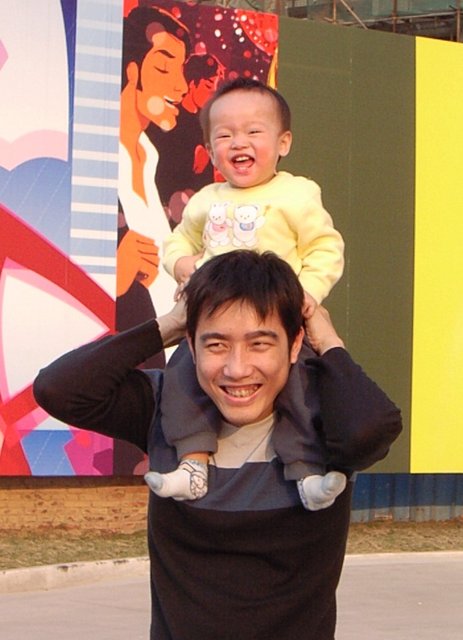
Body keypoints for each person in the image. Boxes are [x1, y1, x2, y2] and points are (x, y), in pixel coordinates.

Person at [33, 250, 402, 640]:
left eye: (259, 344)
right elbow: (58, 389)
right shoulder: (164, 408)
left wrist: (327, 339)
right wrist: (169, 324)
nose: (236, 369)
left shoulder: (325, 417)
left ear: (295, 344)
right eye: (216, 345)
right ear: (191, 346)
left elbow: (371, 430)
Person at [156, 77, 346, 508]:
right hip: (214, 324)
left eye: (253, 131)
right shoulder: (206, 200)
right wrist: (182, 265)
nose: (239, 142)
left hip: (274, 323)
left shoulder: (296, 193)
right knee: (181, 380)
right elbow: (178, 241)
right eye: (224, 135)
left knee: (301, 393)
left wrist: (306, 294)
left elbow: (325, 248)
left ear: (283, 143)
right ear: (210, 150)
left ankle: (306, 473)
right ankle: (193, 465)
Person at [116, 5, 191, 368]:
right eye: (164, 68)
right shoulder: (88, 163)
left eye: (181, 70)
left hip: (173, 372)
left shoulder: (155, 161)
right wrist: (115, 276)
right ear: (132, 71)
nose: (181, 86)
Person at [148, 52, 225, 225]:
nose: (212, 93)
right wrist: (192, 158)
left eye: (215, 87)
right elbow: (161, 171)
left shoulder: (209, 124)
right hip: (169, 215)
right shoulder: (170, 118)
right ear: (192, 84)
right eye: (208, 85)